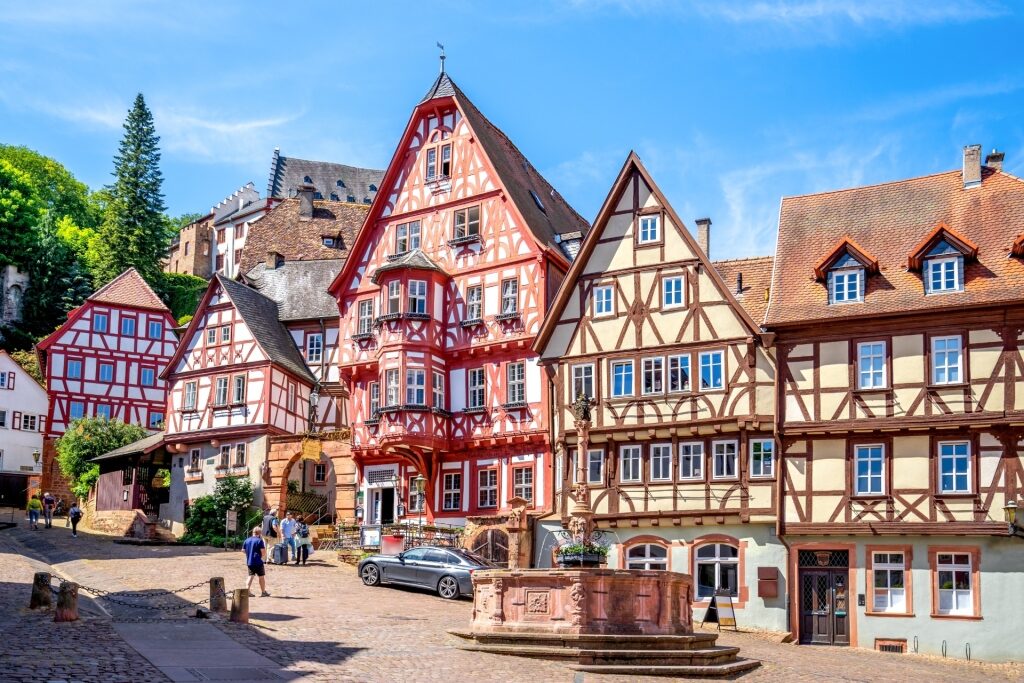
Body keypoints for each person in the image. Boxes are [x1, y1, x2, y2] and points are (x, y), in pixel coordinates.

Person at [242, 526, 271, 597]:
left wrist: (249, 554)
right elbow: (263, 552)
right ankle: (263, 592)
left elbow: (243, 550)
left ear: (253, 532)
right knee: (261, 577)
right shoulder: (259, 540)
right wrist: (260, 556)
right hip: (258, 562)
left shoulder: (247, 540)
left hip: (249, 561)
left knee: (250, 576)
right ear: (260, 533)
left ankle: (247, 591)